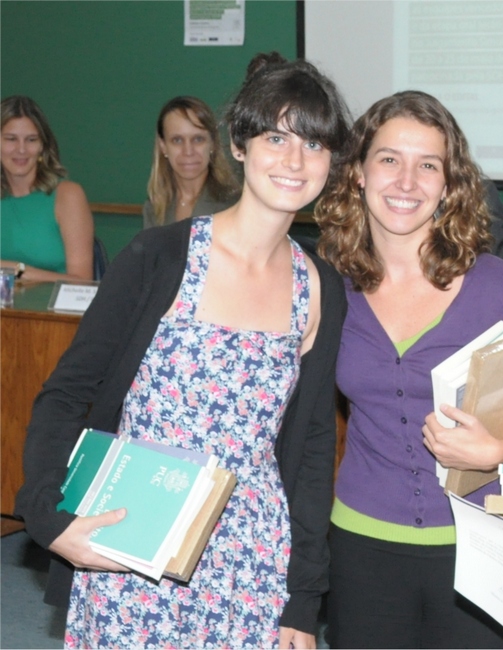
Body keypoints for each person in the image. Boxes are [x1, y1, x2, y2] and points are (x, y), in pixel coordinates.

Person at [14, 52, 351, 649]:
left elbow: (311, 451)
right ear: (240, 144)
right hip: (132, 545)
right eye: (277, 136)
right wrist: (49, 516)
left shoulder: (320, 288)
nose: (296, 160)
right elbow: (68, 393)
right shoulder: (160, 257)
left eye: (315, 144)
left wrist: (303, 600)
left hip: (251, 563)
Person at [315, 90, 503, 649]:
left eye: (428, 165)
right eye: (389, 159)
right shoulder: (327, 287)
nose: (407, 181)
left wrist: (496, 453)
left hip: (484, 547)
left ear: (449, 185)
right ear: (358, 174)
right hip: (361, 548)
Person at [1, 95, 94, 282]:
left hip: (52, 311)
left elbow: (83, 281)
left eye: (31, 140)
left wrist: (15, 270)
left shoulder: (68, 195)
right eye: (11, 139)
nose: (21, 149)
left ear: (42, 146)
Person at [143, 95, 240, 229]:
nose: (188, 151)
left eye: (198, 139)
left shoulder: (235, 204)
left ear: (212, 143)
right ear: (163, 146)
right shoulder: (154, 208)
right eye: (177, 140)